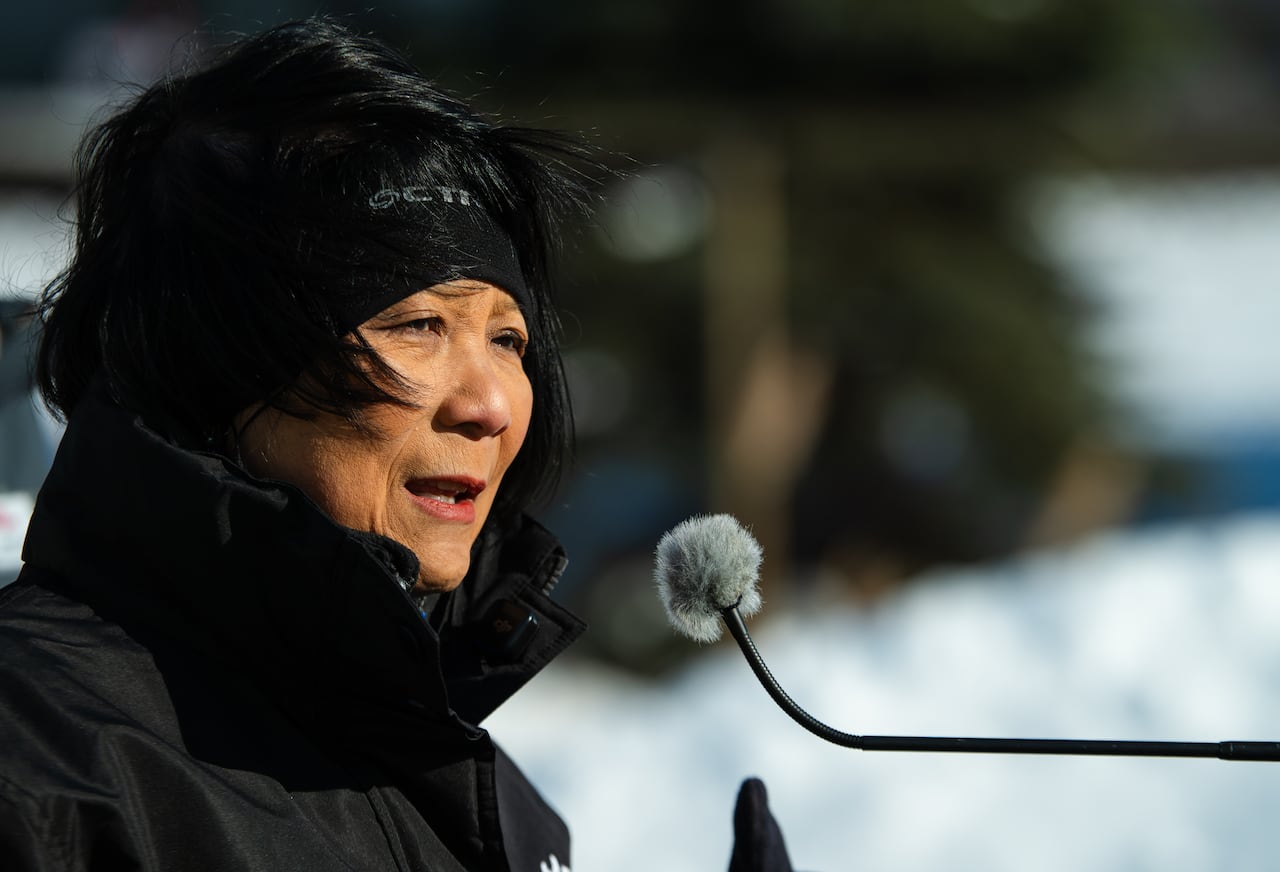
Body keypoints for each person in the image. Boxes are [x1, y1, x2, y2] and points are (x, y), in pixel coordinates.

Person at [0, 17, 592, 871]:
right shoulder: (47, 769)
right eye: (419, 324)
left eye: (508, 340)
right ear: (220, 360)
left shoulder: (477, 791)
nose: (494, 403)